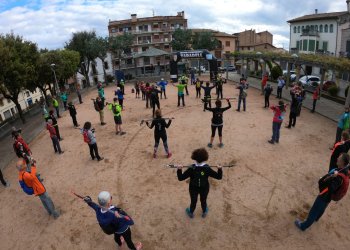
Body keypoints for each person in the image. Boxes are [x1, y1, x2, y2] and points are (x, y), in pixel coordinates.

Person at [295, 153, 350, 231]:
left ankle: (303, 226)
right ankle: (317, 218)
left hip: (325, 195)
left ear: (343, 163)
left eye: (339, 158)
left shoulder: (338, 177)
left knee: (314, 210)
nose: (337, 158)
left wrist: (332, 177)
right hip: (329, 197)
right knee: (322, 208)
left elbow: (331, 188)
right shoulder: (345, 170)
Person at [177, 148, 223, 218]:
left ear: (194, 158)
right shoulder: (207, 168)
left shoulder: (191, 168)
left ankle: (191, 213)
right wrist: (219, 169)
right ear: (205, 158)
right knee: (203, 201)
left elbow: (180, 178)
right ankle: (204, 212)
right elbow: (219, 177)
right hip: (204, 188)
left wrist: (179, 169)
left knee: (193, 201)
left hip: (193, 189)